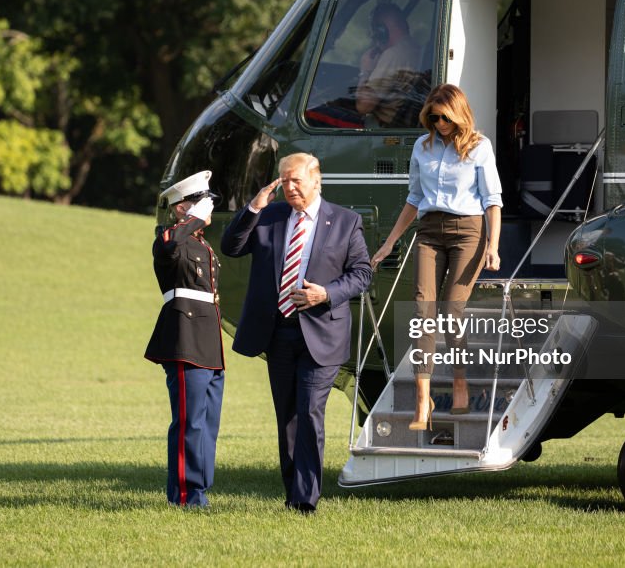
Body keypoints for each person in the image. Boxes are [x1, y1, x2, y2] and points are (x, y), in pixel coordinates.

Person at [221, 153, 372, 513]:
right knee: (287, 415)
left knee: (308, 411)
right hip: (279, 332)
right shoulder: (269, 216)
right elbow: (231, 247)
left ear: (316, 180)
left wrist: (327, 293)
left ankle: (306, 499)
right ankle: (293, 492)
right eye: (284, 181)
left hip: (323, 334)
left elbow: (362, 273)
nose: (289, 188)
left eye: (296, 181)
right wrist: (253, 208)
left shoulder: (346, 222)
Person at [370, 84, 503, 430]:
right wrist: (389, 243)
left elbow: (492, 200)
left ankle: (460, 379)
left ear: (457, 114)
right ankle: (422, 399)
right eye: (432, 117)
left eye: (443, 117)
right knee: (422, 311)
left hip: (468, 232)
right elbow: (414, 198)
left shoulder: (479, 147)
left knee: (451, 311)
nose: (438, 123)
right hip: (428, 231)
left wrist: (493, 246)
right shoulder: (422, 146)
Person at [144, 170, 225, 509]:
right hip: (184, 337)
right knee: (189, 420)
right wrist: (192, 220)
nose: (205, 208)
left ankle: (200, 492)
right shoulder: (169, 237)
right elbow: (170, 245)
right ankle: (183, 494)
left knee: (207, 423)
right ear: (182, 208)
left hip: (207, 340)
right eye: (197, 201)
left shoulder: (202, 245)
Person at [355, 2, 422, 127]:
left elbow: (363, 106)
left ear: (381, 30)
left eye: (376, 30)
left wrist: (365, 71)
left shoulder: (392, 55)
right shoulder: (415, 49)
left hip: (379, 128)